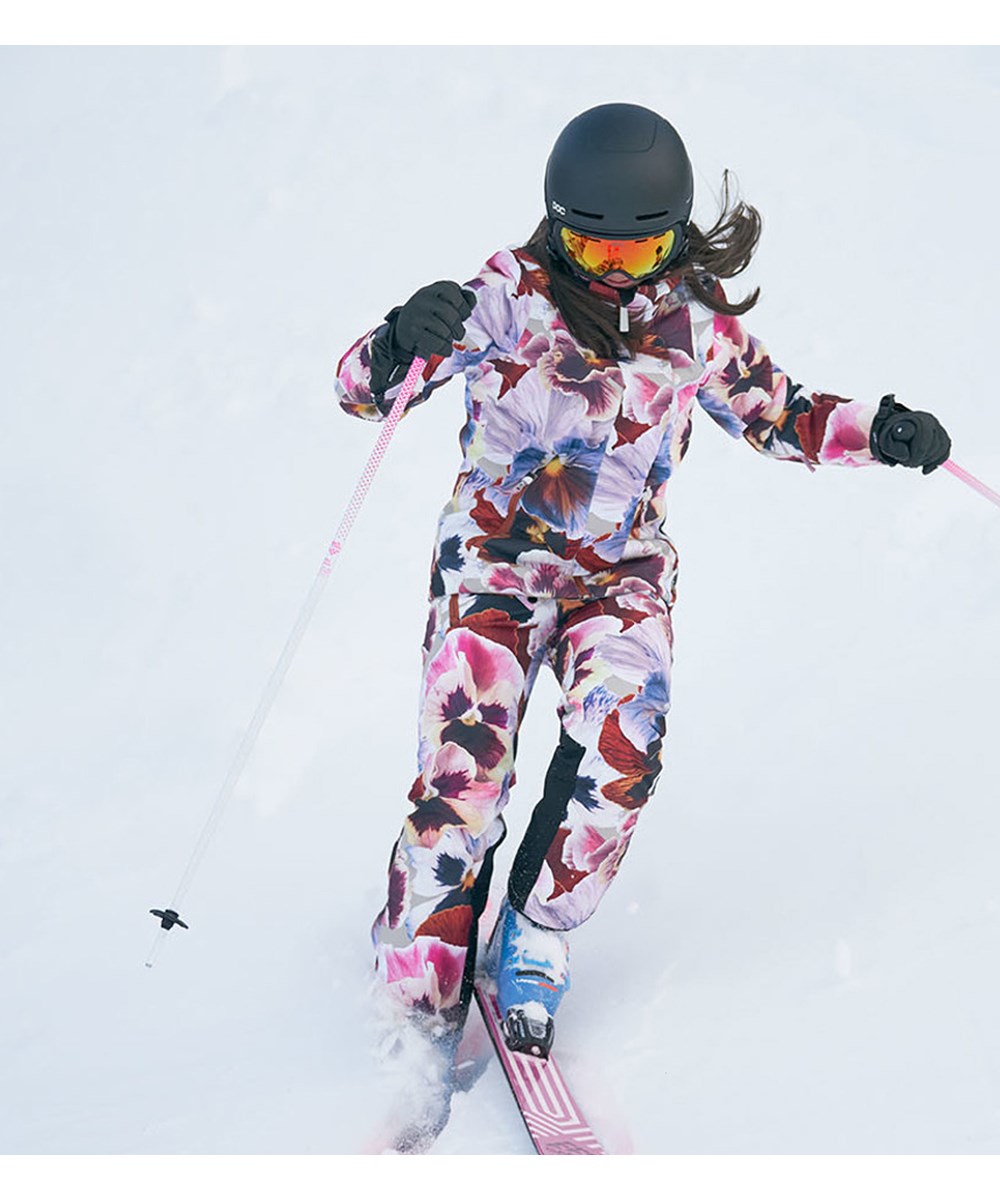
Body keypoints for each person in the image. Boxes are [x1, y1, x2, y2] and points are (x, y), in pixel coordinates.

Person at [335, 101, 950, 1085]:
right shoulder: (505, 296)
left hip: (619, 574)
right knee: (463, 784)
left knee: (624, 747)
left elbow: (780, 413)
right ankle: (418, 991)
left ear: (673, 236)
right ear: (556, 227)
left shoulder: (693, 322)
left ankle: (536, 930)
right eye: (593, 250)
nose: (616, 273)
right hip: (494, 568)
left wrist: (876, 431)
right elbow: (363, 392)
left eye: (641, 252)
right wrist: (400, 338)